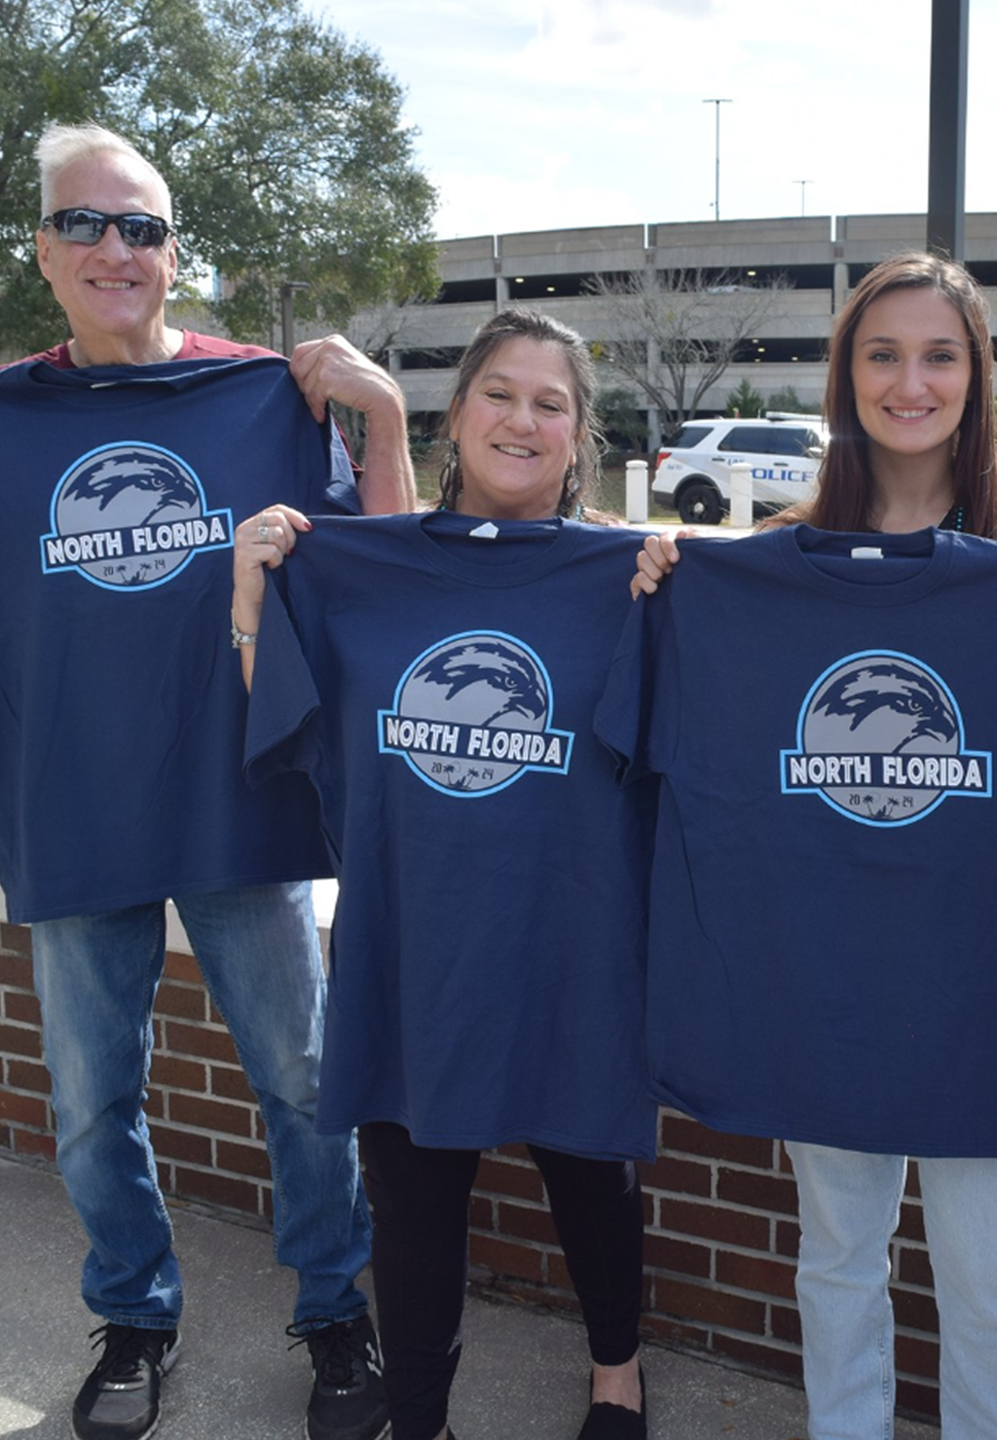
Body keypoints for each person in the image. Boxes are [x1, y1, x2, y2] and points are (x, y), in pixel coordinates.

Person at [626, 251, 997, 1440]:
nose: (909, 383)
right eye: (882, 354)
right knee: (839, 1265)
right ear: (844, 375)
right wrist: (667, 573)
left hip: (990, 992)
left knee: (986, 1287)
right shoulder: (784, 558)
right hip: (828, 986)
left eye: (938, 355)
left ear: (976, 377)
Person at [2, 121, 414, 1440]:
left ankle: (335, 1313)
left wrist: (385, 414)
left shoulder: (269, 397)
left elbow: (387, 571)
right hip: (72, 804)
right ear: (42, 247)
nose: (116, 249)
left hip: (245, 798)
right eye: (85, 223)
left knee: (301, 1077)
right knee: (89, 1101)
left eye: (143, 227)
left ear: (176, 253)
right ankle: (133, 1317)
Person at [231, 308, 652, 1440]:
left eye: (551, 403)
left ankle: (619, 1373)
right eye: (500, 393)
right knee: (414, 1199)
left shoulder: (633, 580)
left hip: (572, 934)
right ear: (457, 411)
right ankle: (418, 1411)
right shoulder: (362, 566)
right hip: (412, 933)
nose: (523, 419)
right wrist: (250, 597)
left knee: (591, 1174)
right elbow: (291, 727)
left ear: (578, 437)